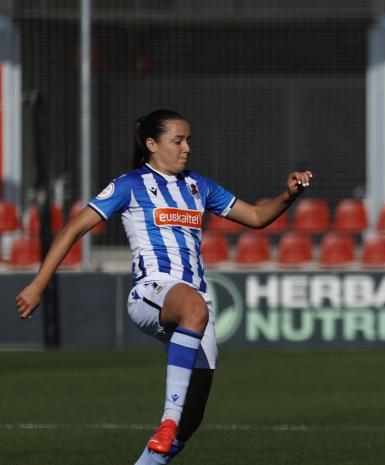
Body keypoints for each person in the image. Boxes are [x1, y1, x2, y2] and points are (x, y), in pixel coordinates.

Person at [14, 109, 314, 465]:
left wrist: (289, 195)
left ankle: (158, 447)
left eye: (188, 140)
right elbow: (72, 229)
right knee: (193, 314)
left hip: (194, 305)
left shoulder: (198, 186)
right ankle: (166, 421)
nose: (187, 147)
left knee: (194, 415)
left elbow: (256, 217)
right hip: (151, 292)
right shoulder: (130, 185)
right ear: (152, 144)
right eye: (178, 140)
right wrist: (38, 284)